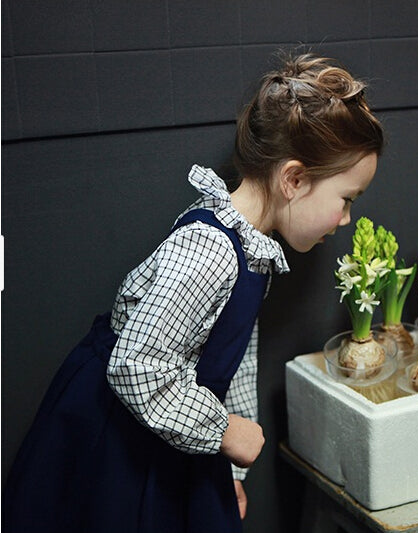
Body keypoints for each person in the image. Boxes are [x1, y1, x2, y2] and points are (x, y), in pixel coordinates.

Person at [2, 51, 384, 533]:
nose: (347, 219)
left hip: (177, 436)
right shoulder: (209, 249)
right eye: (346, 199)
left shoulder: (255, 253)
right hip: (118, 442)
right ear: (294, 179)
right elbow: (136, 365)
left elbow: (235, 364)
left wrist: (230, 470)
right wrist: (223, 431)